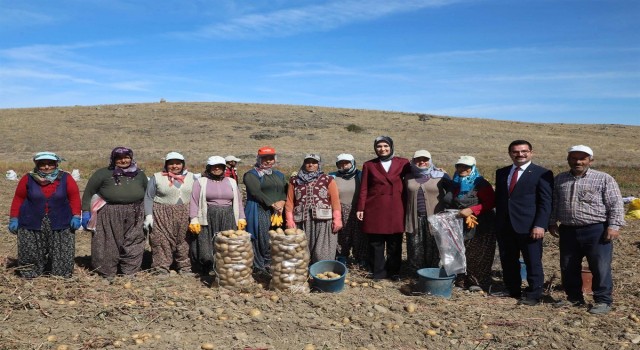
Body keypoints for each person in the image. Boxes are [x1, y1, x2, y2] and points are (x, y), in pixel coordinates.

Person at [549, 145, 625, 314]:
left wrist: (614, 226)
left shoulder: (603, 178)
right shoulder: (560, 179)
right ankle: (574, 298)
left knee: (600, 266)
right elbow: (554, 203)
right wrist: (552, 222)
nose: (578, 161)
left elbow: (615, 204)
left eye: (582, 158)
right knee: (568, 266)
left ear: (590, 160)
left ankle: (603, 300)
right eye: (574, 158)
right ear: (568, 159)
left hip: (596, 230)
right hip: (568, 230)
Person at [494, 140, 553, 305]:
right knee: (508, 260)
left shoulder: (542, 173)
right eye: (516, 151)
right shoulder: (501, 173)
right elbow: (501, 199)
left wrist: (540, 224)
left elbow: (545, 202)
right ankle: (513, 290)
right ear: (510, 153)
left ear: (531, 152)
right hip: (505, 225)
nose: (520, 154)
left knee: (532, 261)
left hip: (529, 226)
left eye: (524, 151)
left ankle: (534, 294)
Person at [8, 152, 81, 278]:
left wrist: (76, 215)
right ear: (37, 164)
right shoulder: (28, 178)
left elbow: (74, 197)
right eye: (42, 164)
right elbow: (18, 198)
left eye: (50, 164)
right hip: (31, 219)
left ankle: (60, 274)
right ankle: (30, 273)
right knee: (31, 249)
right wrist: (14, 218)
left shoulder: (66, 178)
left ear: (56, 164)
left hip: (61, 220)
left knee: (61, 250)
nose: (46, 167)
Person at [81, 147, 148, 279]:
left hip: (136, 211)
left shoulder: (139, 174)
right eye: (119, 158)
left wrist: (148, 213)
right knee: (108, 241)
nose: (123, 160)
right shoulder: (103, 173)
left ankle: (129, 270)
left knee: (134, 240)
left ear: (131, 158)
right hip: (110, 211)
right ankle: (106, 272)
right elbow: (88, 193)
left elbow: (147, 193)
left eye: (127, 157)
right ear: (113, 159)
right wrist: (85, 212)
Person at [357, 136, 410, 281]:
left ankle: (394, 272)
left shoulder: (403, 163)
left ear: (391, 147)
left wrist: (436, 170)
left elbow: (417, 173)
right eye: (379, 146)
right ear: (375, 148)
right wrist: (361, 207)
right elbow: (364, 188)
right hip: (375, 207)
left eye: (385, 146)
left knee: (395, 242)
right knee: (376, 242)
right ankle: (378, 272)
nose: (382, 149)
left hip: (396, 206)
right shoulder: (369, 165)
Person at [189, 156, 246, 275]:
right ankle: (208, 267)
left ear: (224, 168)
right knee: (206, 246)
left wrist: (241, 217)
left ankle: (224, 269)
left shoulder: (231, 181)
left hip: (228, 215)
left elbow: (238, 201)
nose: (217, 169)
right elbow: (194, 201)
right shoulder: (201, 182)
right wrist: (193, 219)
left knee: (226, 244)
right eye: (214, 167)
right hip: (208, 216)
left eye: (220, 166)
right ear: (209, 168)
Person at [446, 155, 496, 292]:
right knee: (461, 251)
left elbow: (491, 202)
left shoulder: (481, 183)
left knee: (478, 253)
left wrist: (472, 209)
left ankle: (477, 282)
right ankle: (461, 280)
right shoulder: (455, 182)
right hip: (460, 222)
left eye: (466, 167)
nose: (462, 169)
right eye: (459, 166)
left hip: (481, 223)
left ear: (473, 168)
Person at [143, 152, 195, 276]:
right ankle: (161, 268)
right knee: (161, 241)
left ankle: (184, 267)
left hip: (185, 212)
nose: (175, 166)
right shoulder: (157, 177)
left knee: (184, 240)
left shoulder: (192, 177)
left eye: (178, 163)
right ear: (166, 165)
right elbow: (148, 197)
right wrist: (149, 215)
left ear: (183, 165)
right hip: (162, 213)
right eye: (171, 164)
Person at [285, 154, 342, 264]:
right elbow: (290, 202)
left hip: (324, 221)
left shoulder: (328, 179)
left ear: (319, 164)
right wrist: (289, 220)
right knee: (301, 251)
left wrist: (337, 219)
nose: (310, 164)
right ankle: (303, 276)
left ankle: (321, 274)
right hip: (301, 221)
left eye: (314, 162)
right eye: (308, 162)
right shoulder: (295, 181)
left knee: (322, 252)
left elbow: (335, 201)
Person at [404, 150, 450, 273]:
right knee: (415, 246)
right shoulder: (408, 177)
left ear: (430, 161)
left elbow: (452, 193)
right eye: (418, 159)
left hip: (435, 218)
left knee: (434, 247)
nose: (422, 162)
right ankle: (417, 274)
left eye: (425, 159)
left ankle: (433, 272)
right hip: (414, 217)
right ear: (413, 162)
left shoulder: (441, 176)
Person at [243, 147, 287, 275]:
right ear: (259, 159)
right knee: (261, 238)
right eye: (265, 158)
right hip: (260, 210)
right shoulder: (251, 174)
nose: (268, 161)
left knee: (275, 237)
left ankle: (269, 264)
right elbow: (255, 192)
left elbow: (285, 190)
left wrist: (282, 202)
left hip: (277, 211)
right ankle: (259, 266)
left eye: (271, 158)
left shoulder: (279, 175)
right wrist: (272, 203)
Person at [328, 154, 367, 267]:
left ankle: (361, 258)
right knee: (341, 234)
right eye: (341, 163)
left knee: (360, 235)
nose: (344, 165)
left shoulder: (361, 175)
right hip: (340, 209)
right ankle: (342, 256)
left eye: (346, 162)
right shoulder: (332, 176)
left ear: (353, 163)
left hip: (357, 209)